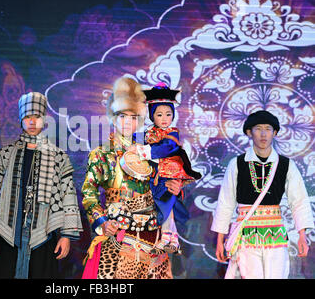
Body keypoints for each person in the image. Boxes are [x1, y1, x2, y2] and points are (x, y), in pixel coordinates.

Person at [0, 91, 83, 279]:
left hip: (43, 232)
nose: (32, 122)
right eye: (27, 117)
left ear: (44, 120)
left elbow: (68, 195)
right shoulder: (5, 154)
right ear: (21, 120)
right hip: (8, 232)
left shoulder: (58, 157)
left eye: (37, 117)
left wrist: (66, 235)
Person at [81, 77, 183, 279]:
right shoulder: (103, 154)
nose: (128, 122)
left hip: (153, 238)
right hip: (119, 235)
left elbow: (166, 183)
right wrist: (102, 222)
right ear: (112, 117)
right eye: (122, 116)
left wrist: (176, 188)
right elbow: (89, 193)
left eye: (133, 117)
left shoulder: (151, 151)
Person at [211, 110, 314, 279]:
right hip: (247, 234)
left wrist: (303, 235)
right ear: (249, 132)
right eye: (258, 129)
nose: (264, 134)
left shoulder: (286, 165)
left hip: (276, 235)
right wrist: (220, 240)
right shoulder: (237, 164)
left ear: (275, 132)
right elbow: (226, 202)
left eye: (268, 129)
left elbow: (299, 201)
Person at [133, 83, 201, 254]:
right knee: (163, 206)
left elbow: (167, 148)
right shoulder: (147, 134)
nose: (164, 118)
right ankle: (171, 239)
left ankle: (167, 238)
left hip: (168, 175)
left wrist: (144, 151)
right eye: (159, 114)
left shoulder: (172, 133)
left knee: (167, 204)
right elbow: (135, 141)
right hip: (155, 177)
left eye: (168, 114)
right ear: (152, 116)